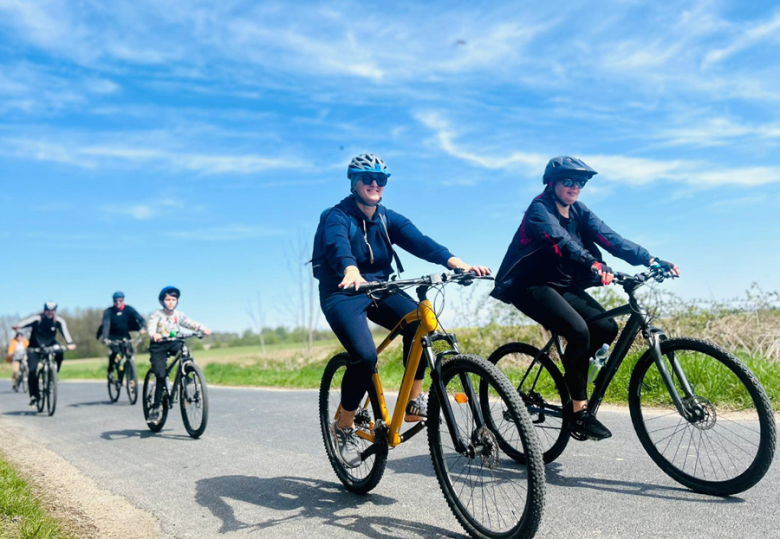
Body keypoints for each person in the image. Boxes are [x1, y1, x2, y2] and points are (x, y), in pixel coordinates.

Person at [313, 153, 490, 467]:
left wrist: (456, 263)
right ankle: (343, 425)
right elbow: (337, 245)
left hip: (380, 287)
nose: (374, 184)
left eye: (380, 179)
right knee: (365, 356)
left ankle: (413, 401)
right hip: (343, 290)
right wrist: (349, 270)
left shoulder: (386, 217)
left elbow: (420, 241)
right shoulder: (337, 216)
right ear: (354, 181)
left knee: (420, 324)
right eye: (368, 178)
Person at [491, 156, 679, 440]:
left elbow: (611, 239)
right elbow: (560, 242)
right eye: (568, 181)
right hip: (528, 286)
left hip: (563, 286)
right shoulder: (538, 210)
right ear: (552, 183)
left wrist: (651, 259)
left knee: (606, 328)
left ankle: (573, 385)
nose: (575, 187)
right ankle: (578, 413)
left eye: (580, 183)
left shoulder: (579, 211)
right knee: (579, 332)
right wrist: (594, 263)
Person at [146, 286, 212, 425]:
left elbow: (190, 323)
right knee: (161, 375)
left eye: (173, 299)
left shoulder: (179, 315)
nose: (171, 302)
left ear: (177, 301)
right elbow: (151, 326)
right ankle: (156, 407)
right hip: (159, 345)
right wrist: (154, 334)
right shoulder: (156, 315)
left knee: (186, 352)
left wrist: (202, 329)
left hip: (174, 343)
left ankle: (187, 376)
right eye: (168, 299)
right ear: (162, 301)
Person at [13, 303, 76, 406]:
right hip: (35, 347)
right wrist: (18, 326)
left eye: (53, 311)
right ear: (44, 310)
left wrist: (70, 343)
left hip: (50, 344)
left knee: (60, 352)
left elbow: (65, 332)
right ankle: (34, 395)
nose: (50, 313)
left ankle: (54, 374)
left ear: (55, 311)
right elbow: (25, 322)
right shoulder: (38, 318)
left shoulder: (58, 321)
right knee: (32, 370)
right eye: (48, 310)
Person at [100, 291, 146, 384]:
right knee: (116, 352)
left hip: (125, 335)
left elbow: (140, 318)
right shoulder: (108, 312)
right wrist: (105, 338)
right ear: (113, 301)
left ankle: (130, 376)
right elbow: (106, 325)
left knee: (129, 354)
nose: (118, 303)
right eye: (116, 301)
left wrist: (143, 327)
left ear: (123, 300)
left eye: (120, 300)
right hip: (112, 336)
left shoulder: (129, 309)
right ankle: (111, 371)